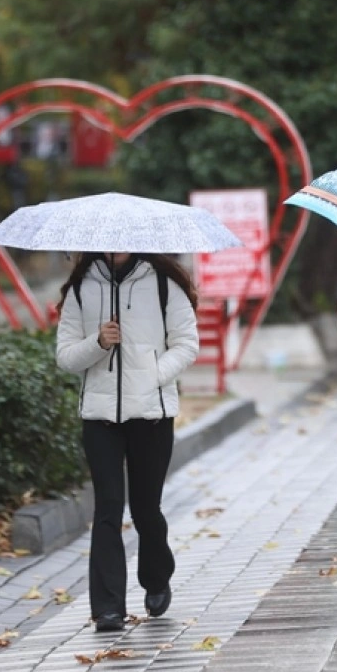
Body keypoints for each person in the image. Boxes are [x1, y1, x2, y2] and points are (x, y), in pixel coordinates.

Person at [55, 252, 200, 633]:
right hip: (100, 417)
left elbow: (187, 344)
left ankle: (156, 577)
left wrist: (153, 375)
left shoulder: (163, 286)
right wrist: (98, 342)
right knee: (107, 508)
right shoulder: (82, 289)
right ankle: (107, 608)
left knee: (145, 508)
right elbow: (65, 356)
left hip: (151, 414)